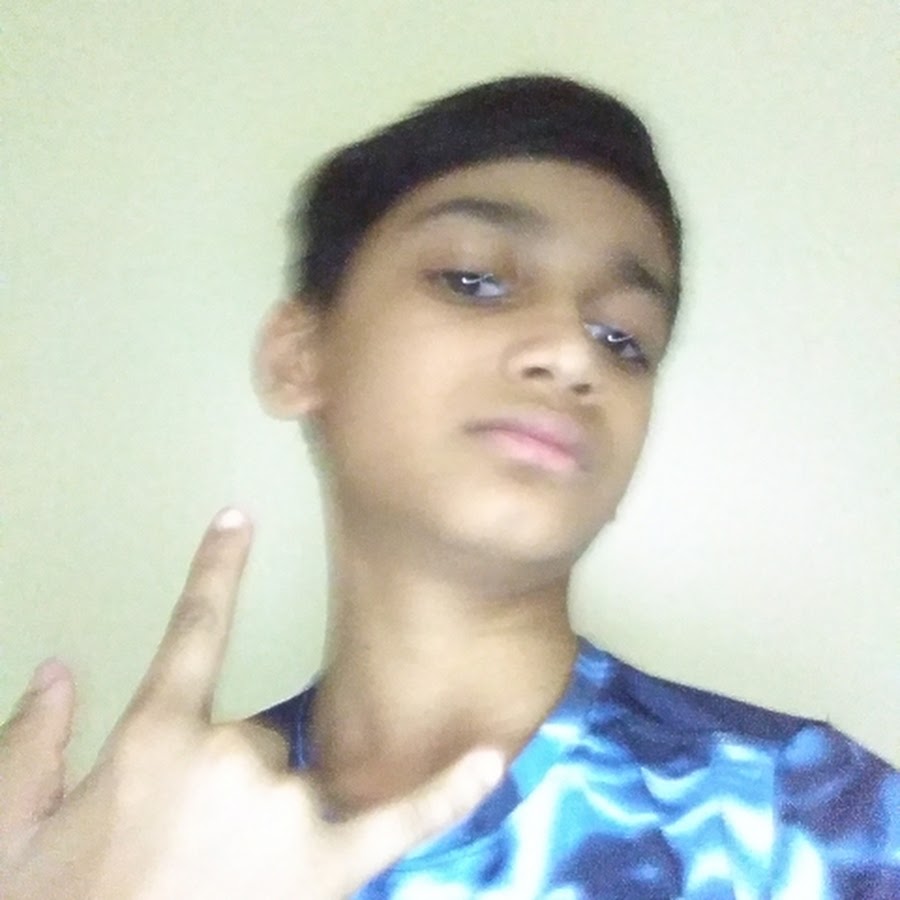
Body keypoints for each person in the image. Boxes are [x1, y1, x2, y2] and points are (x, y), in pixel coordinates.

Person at [1, 75, 897, 898]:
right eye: (475, 280)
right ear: (299, 355)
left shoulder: (804, 820)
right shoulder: (139, 843)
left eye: (624, 339)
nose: (571, 352)